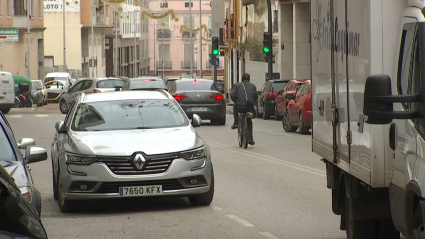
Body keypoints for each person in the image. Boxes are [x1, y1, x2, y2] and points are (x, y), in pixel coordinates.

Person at [230, 73, 258, 145]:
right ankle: (250, 138)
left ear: (242, 79)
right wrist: (253, 102)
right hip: (249, 106)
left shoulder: (237, 85)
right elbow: (255, 96)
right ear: (249, 79)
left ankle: (236, 122)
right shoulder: (253, 86)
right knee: (249, 120)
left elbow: (232, 94)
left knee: (235, 107)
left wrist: (236, 101)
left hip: (239, 106)